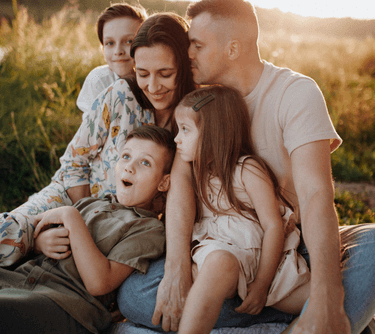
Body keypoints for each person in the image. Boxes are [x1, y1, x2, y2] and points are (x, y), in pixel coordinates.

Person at [118, 1, 375, 333]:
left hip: (288, 250)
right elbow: (181, 182)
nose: (188, 54)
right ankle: (305, 323)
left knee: (371, 249)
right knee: (134, 295)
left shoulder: (294, 93)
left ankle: (317, 312)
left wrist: (327, 292)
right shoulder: (202, 101)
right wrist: (178, 268)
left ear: (233, 47)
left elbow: (315, 196)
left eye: (196, 44)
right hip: (219, 252)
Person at [0, 12, 195, 267]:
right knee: (7, 234)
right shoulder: (121, 95)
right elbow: (73, 162)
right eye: (143, 73)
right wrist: (77, 221)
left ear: (184, 66)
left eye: (165, 73)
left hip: (127, 228)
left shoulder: (192, 119)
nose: (153, 86)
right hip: (72, 200)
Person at [0, 125, 175, 334]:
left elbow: (99, 283)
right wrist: (38, 244)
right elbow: (37, 226)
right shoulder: (92, 204)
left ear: (164, 182)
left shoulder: (148, 228)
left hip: (65, 304)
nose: (130, 167)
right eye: (126, 156)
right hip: (18, 280)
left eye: (145, 162)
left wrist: (71, 217)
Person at [173, 85, 310, 334]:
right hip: (222, 260)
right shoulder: (195, 174)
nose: (176, 139)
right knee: (219, 264)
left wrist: (261, 284)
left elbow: (272, 226)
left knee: (325, 299)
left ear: (213, 134)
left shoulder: (247, 170)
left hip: (269, 267)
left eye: (184, 130)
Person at [76, 3, 147, 117]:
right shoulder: (99, 80)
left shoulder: (154, 80)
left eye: (129, 41)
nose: (118, 51)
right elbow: (91, 129)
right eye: (110, 43)